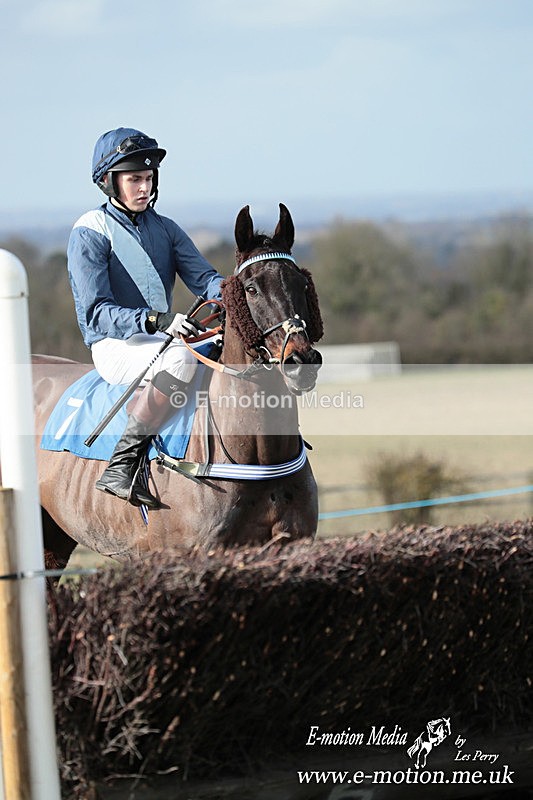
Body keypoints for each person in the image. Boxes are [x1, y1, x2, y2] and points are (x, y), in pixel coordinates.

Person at [67, 127, 224, 509]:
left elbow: (205, 279)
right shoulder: (90, 231)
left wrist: (237, 293)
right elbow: (96, 313)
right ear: (109, 182)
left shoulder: (166, 228)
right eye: (134, 179)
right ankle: (122, 464)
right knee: (182, 358)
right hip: (115, 345)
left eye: (149, 178)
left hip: (161, 337)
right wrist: (156, 321)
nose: (144, 188)